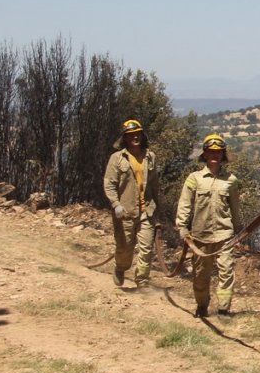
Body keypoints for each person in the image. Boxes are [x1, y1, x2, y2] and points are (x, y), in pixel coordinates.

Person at [175, 134, 242, 317]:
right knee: (200, 276)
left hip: (224, 234)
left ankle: (223, 309)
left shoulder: (231, 180)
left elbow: (235, 208)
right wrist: (182, 227)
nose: (214, 155)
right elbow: (185, 204)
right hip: (200, 236)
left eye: (218, 152)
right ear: (204, 154)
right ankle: (202, 306)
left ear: (223, 155)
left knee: (226, 271)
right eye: (211, 152)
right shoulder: (194, 179)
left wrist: (239, 230)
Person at [103, 119, 160, 289]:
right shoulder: (117, 158)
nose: (135, 137)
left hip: (146, 211)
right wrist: (115, 204)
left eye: (137, 134)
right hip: (125, 212)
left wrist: (157, 208)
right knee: (124, 247)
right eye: (130, 135)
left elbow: (154, 183)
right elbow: (109, 183)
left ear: (142, 136)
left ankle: (142, 281)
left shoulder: (151, 157)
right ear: (125, 138)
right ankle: (120, 267)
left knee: (146, 248)